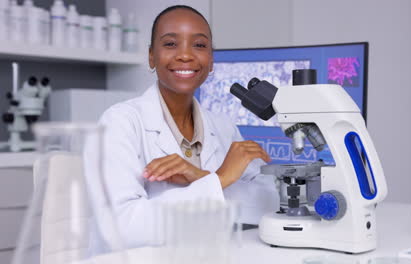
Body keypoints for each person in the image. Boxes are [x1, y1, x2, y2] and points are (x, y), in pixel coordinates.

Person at [96, 5, 279, 249]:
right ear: (151, 56)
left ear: (211, 60)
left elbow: (271, 203)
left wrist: (203, 178)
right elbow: (123, 227)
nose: (185, 55)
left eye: (199, 45)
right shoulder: (120, 122)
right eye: (171, 44)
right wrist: (220, 179)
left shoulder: (223, 127)